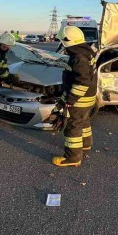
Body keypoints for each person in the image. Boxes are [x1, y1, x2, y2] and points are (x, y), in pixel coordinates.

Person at [52, 26, 97, 167]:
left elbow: (82, 82)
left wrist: (70, 100)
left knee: (73, 126)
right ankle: (85, 145)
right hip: (89, 98)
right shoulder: (87, 52)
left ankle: (72, 157)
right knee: (84, 122)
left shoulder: (79, 58)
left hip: (79, 100)